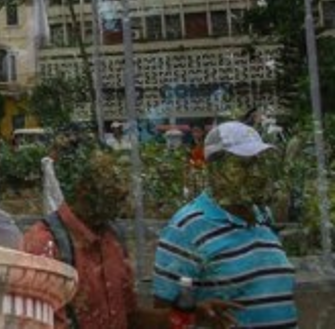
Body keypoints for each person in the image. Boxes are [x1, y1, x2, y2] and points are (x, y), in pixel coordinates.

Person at [153, 121, 297, 328]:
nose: (257, 173)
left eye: (259, 162)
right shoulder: (187, 228)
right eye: (244, 165)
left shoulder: (262, 217)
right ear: (215, 170)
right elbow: (166, 314)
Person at [21, 144, 172, 328]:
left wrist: (187, 316)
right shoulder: (45, 246)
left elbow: (128, 317)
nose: (123, 190)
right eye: (113, 180)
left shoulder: (112, 239)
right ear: (83, 188)